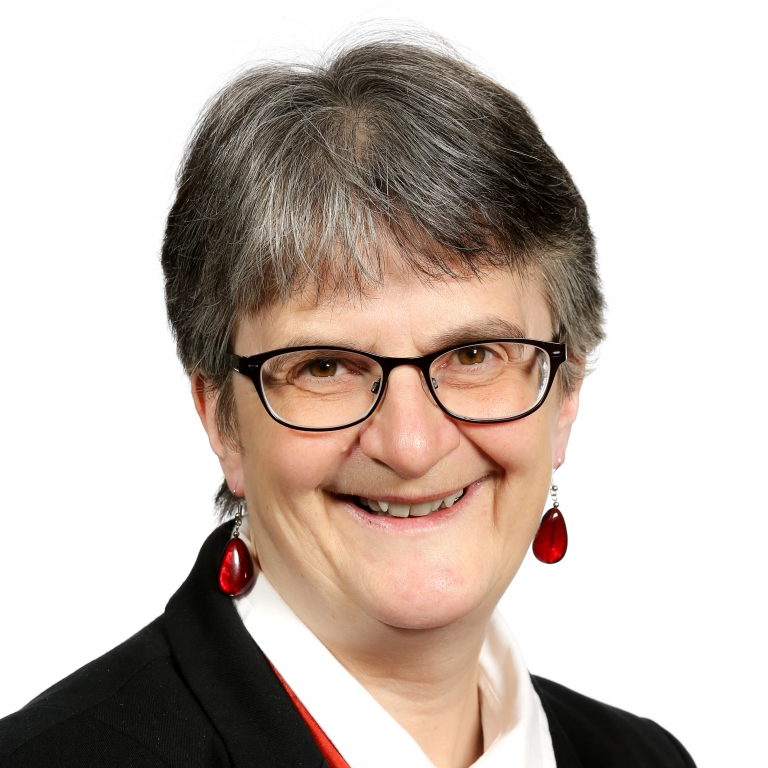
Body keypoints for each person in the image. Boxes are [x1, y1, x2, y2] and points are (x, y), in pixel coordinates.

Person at [0, 36, 696, 768]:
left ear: (566, 390)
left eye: (473, 355)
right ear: (221, 419)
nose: (411, 446)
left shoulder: (644, 760)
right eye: (325, 366)